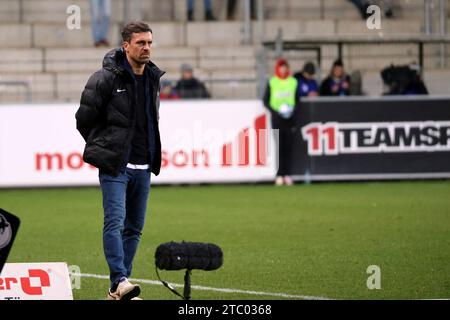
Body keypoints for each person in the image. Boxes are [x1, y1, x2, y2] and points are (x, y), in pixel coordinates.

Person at [76, 21, 165, 300]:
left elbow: (152, 119)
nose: (146, 48)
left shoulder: (153, 77)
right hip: (116, 165)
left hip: (143, 165)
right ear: (126, 46)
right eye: (141, 43)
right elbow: (83, 120)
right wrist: (106, 148)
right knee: (114, 222)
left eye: (149, 42)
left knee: (134, 229)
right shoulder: (105, 78)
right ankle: (120, 280)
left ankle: (118, 289)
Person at [263, 58, 300, 186]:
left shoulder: (293, 82)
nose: (283, 69)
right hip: (277, 119)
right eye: (281, 67)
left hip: (289, 119)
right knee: (279, 147)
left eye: (285, 67)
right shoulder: (272, 82)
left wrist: (292, 110)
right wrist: (275, 112)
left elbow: (297, 100)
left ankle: (287, 174)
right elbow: (266, 100)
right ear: (277, 68)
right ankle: (279, 174)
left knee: (288, 148)